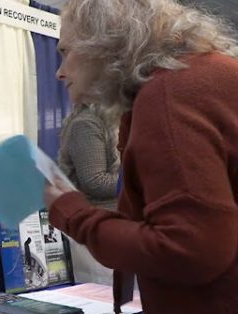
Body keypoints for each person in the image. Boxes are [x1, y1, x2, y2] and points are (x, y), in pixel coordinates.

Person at [44, 0, 238, 313]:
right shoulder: (205, 75)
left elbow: (191, 251)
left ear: (103, 41)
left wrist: (71, 212)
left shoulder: (170, 92)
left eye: (66, 52)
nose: (60, 72)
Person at [58, 103, 121, 210]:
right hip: (101, 216)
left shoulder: (106, 119)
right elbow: (96, 182)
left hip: (110, 216)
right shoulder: (87, 124)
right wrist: (139, 182)